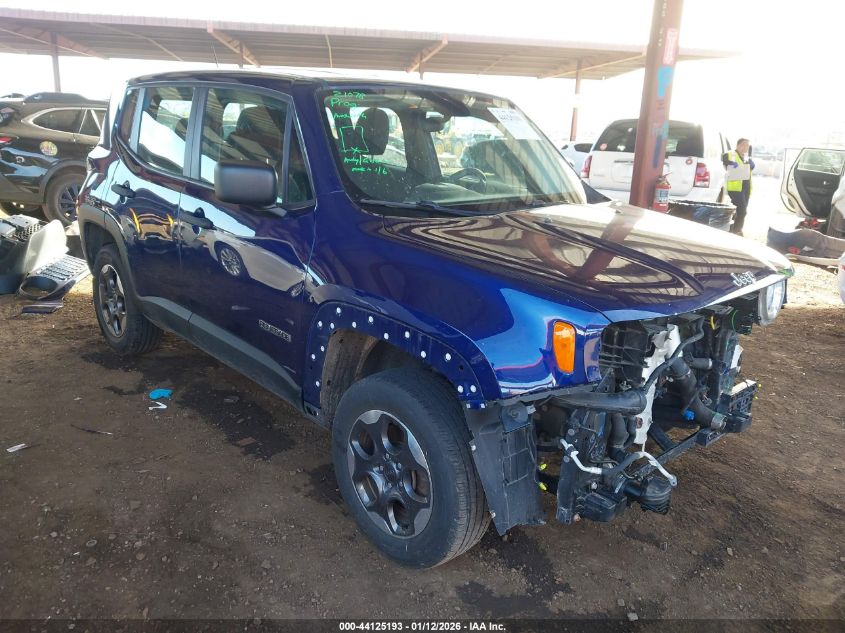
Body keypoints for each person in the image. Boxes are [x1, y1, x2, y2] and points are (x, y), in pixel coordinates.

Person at [722, 138, 756, 235]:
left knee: (741, 211)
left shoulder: (746, 157)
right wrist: (732, 164)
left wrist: (749, 163)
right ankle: (737, 231)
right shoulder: (732, 154)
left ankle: (734, 229)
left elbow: (752, 166)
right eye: (744, 145)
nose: (746, 147)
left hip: (746, 188)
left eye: (747, 146)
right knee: (742, 210)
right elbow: (725, 158)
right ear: (738, 145)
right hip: (735, 188)